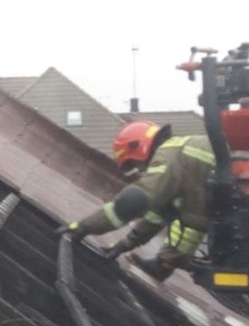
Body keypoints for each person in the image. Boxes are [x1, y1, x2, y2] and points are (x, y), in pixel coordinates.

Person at [63, 120, 214, 282]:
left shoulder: (168, 154)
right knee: (187, 219)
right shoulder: (183, 159)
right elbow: (160, 212)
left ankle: (165, 263)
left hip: (240, 203)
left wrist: (85, 226)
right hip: (238, 206)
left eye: (135, 163)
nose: (141, 170)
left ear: (139, 147)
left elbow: (136, 201)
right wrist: (126, 243)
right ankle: (164, 264)